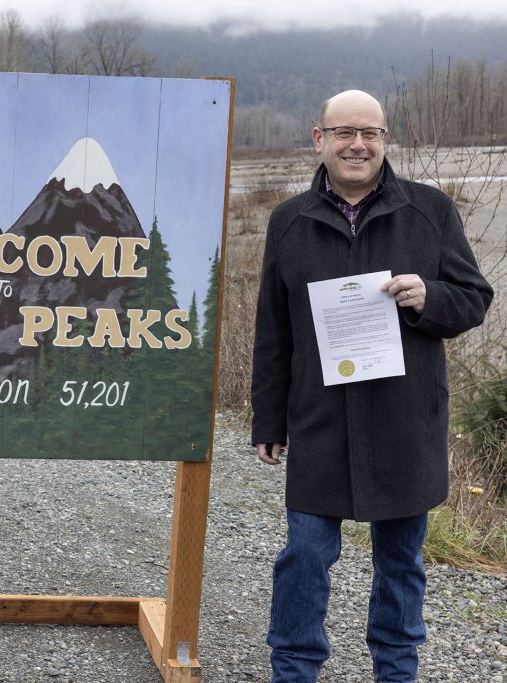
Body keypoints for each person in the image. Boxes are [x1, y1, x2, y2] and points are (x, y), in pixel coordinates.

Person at [251, 89, 493, 682]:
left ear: (386, 139)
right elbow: (272, 332)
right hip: (319, 419)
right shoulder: (288, 222)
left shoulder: (431, 211)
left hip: (405, 420)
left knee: (402, 561)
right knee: (304, 557)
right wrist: (267, 420)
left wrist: (428, 297)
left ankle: (395, 671)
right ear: (319, 139)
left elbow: (474, 299)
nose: (358, 144)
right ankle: (294, 669)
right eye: (343, 132)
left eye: (371, 133)